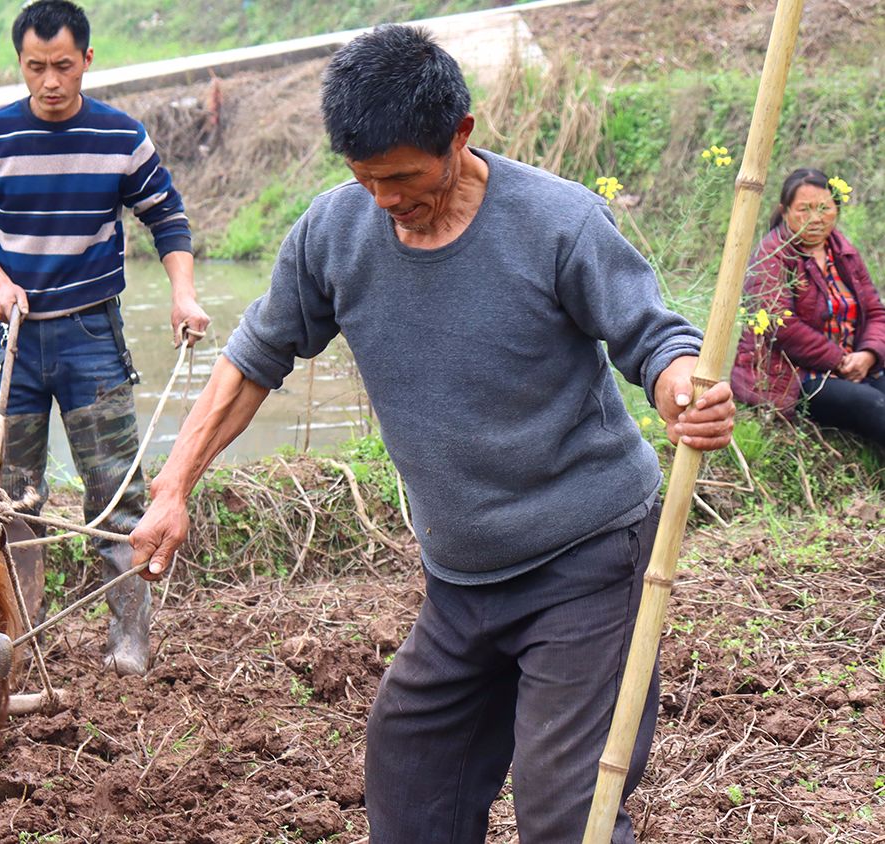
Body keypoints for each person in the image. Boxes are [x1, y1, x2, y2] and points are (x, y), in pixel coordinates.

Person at [129, 25, 735, 843]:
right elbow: (253, 359)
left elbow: (655, 340)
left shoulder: (559, 223)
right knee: (412, 776)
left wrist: (681, 389)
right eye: (366, 178)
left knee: (568, 814)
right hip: (461, 578)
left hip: (586, 560)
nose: (385, 199)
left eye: (404, 177)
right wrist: (174, 486)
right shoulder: (334, 232)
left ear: (460, 136)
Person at [0, 0, 210, 676]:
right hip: (11, 336)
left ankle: (129, 643)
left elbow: (167, 218)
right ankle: (13, 643)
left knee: (116, 495)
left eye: (63, 66)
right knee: (5, 499)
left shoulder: (121, 137)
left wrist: (183, 293)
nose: (51, 81)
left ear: (87, 59)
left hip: (92, 335)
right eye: (36, 67)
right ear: (21, 64)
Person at [731, 167, 885, 448]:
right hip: (794, 376)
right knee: (873, 405)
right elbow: (783, 328)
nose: (815, 219)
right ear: (785, 211)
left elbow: (875, 312)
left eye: (824, 208)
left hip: (854, 365)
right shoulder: (772, 255)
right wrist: (839, 361)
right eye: (804, 209)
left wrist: (868, 355)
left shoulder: (842, 250)